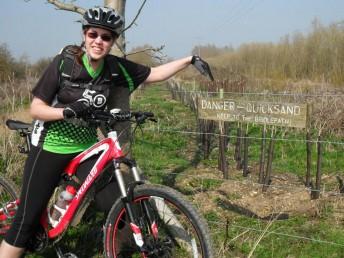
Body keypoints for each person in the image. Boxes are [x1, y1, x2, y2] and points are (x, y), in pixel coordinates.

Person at [0, 6, 213, 258]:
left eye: (106, 37)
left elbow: (153, 74)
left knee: (114, 201)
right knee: (25, 222)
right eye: (93, 34)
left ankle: (108, 245)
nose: (98, 41)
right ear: (84, 35)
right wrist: (66, 112)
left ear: (113, 41)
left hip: (84, 147)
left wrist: (189, 60)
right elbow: (36, 108)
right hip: (51, 144)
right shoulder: (64, 64)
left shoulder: (115, 67)